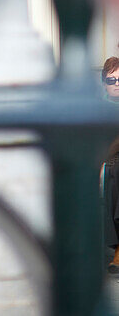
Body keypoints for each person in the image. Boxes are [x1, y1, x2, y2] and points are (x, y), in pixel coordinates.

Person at [100, 57, 119, 273]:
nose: (117, 84)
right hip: (108, 162)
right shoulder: (98, 109)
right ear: (104, 83)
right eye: (111, 80)